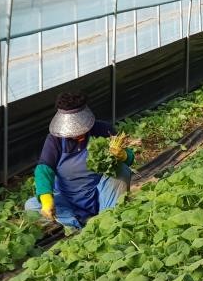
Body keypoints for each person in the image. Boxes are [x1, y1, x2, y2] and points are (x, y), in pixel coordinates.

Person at [24, 92, 134, 229]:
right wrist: (46, 199)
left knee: (122, 170)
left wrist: (123, 155)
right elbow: (44, 169)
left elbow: (130, 158)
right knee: (32, 205)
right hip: (68, 200)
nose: (78, 135)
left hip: (101, 195)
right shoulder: (55, 139)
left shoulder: (103, 130)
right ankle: (80, 223)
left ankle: (109, 218)